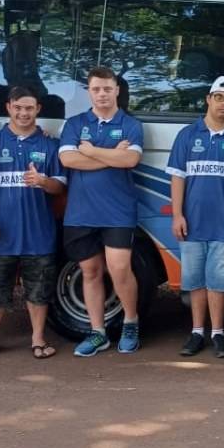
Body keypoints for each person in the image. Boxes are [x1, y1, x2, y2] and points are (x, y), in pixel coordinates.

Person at [0, 87, 67, 361]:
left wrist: (43, 182)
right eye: (18, 108)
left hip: (39, 234)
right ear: (9, 108)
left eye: (29, 108)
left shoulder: (50, 145)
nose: (24, 113)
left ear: (38, 110)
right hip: (2, 234)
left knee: (38, 291)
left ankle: (38, 338)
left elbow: (59, 187)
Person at [58, 66, 144, 357]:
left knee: (120, 270)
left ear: (117, 89)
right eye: (96, 89)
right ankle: (98, 333)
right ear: (89, 92)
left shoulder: (131, 124)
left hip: (119, 211)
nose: (102, 94)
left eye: (107, 88)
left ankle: (131, 322)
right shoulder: (74, 123)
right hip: (81, 212)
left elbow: (130, 159)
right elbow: (69, 160)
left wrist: (91, 151)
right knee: (90, 272)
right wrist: (111, 156)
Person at [168, 76, 224, 359]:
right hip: (192, 224)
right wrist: (177, 214)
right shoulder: (187, 135)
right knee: (195, 281)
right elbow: (178, 179)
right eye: (219, 98)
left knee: (218, 282)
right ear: (208, 99)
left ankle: (218, 333)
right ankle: (196, 332)